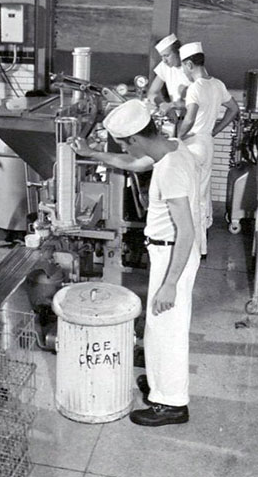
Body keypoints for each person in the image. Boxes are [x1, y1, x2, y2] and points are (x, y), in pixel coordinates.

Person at [71, 99, 201, 426]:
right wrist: (92, 153)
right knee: (158, 327)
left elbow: (186, 230)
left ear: (134, 139)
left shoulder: (170, 168)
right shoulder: (172, 146)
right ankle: (159, 386)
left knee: (168, 329)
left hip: (174, 253)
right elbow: (136, 164)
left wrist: (170, 283)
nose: (127, 151)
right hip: (168, 251)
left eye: (126, 144)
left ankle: (172, 404)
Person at [178, 42, 239, 256]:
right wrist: (214, 130)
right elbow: (234, 109)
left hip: (194, 144)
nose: (183, 71)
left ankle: (193, 248)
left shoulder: (195, 88)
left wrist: (176, 138)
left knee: (191, 197)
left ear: (189, 64)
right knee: (203, 196)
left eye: (183, 67)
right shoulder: (217, 84)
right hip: (207, 144)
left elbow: (189, 119)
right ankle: (202, 246)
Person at [147, 33, 191, 120]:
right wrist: (162, 104)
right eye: (162, 56)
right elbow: (152, 92)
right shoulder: (164, 66)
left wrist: (171, 106)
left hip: (192, 120)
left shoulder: (191, 68)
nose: (164, 60)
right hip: (176, 119)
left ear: (178, 52)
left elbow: (198, 101)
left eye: (167, 56)